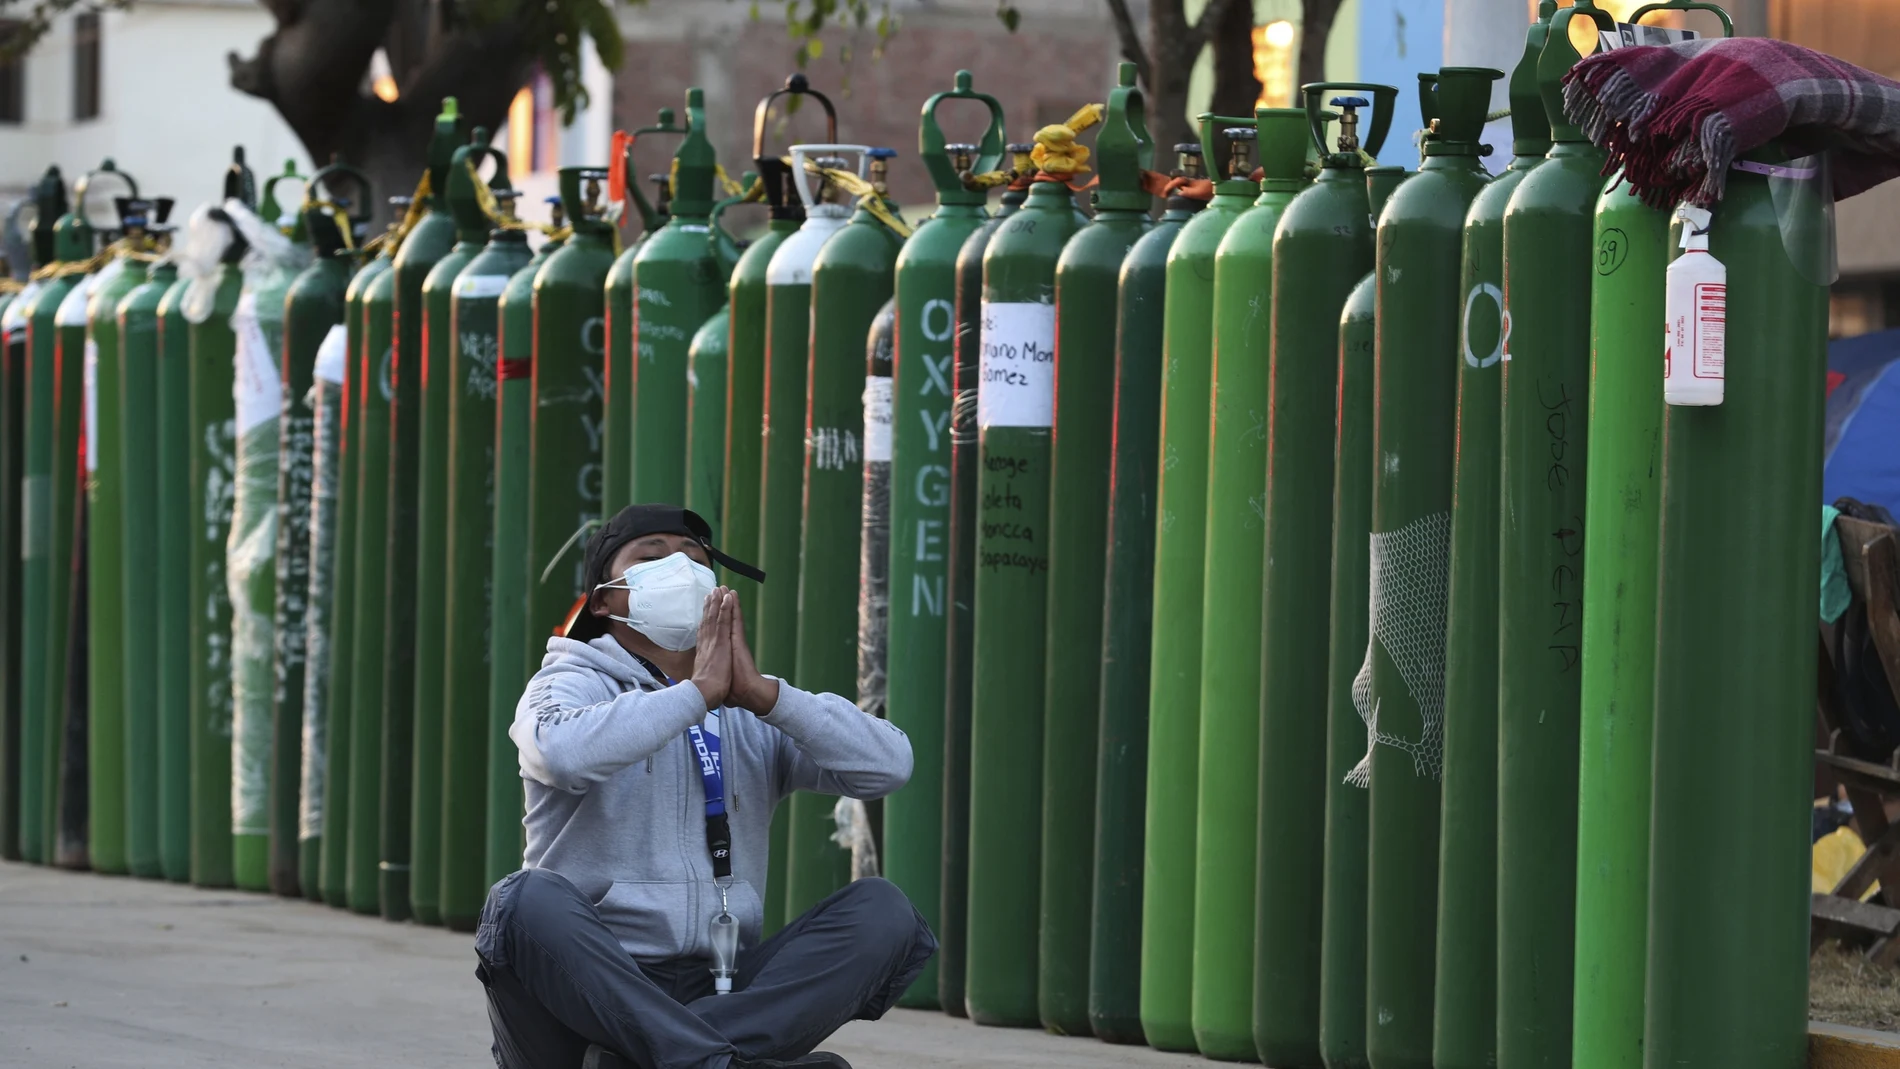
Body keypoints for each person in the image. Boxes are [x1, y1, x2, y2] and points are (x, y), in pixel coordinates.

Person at [474, 504, 934, 1069]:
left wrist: (769, 698)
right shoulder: (567, 683)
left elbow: (889, 766)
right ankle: (713, 1061)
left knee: (883, 911)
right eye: (653, 556)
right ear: (604, 599)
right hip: (581, 985)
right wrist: (694, 696)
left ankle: (682, 1058)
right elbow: (560, 755)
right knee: (522, 900)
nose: (679, 568)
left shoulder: (750, 711)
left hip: (716, 983)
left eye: (694, 559)